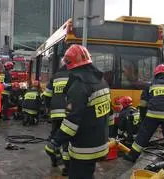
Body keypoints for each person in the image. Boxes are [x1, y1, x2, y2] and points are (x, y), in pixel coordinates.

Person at [45, 44, 110, 179]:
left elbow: (71, 122)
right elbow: (107, 113)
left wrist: (55, 142)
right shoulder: (101, 81)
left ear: (70, 64)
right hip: (101, 143)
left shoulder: (80, 86)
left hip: (84, 148)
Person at [124, 64, 164, 178]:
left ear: (156, 75)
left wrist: (143, 120)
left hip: (152, 115)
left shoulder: (151, 86)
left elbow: (143, 105)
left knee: (142, 136)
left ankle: (132, 156)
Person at [43, 64, 70, 176]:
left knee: (55, 135)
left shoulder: (55, 77)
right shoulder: (73, 76)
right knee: (67, 138)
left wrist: (48, 108)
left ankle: (54, 159)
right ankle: (67, 167)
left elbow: (47, 94)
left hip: (55, 112)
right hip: (68, 112)